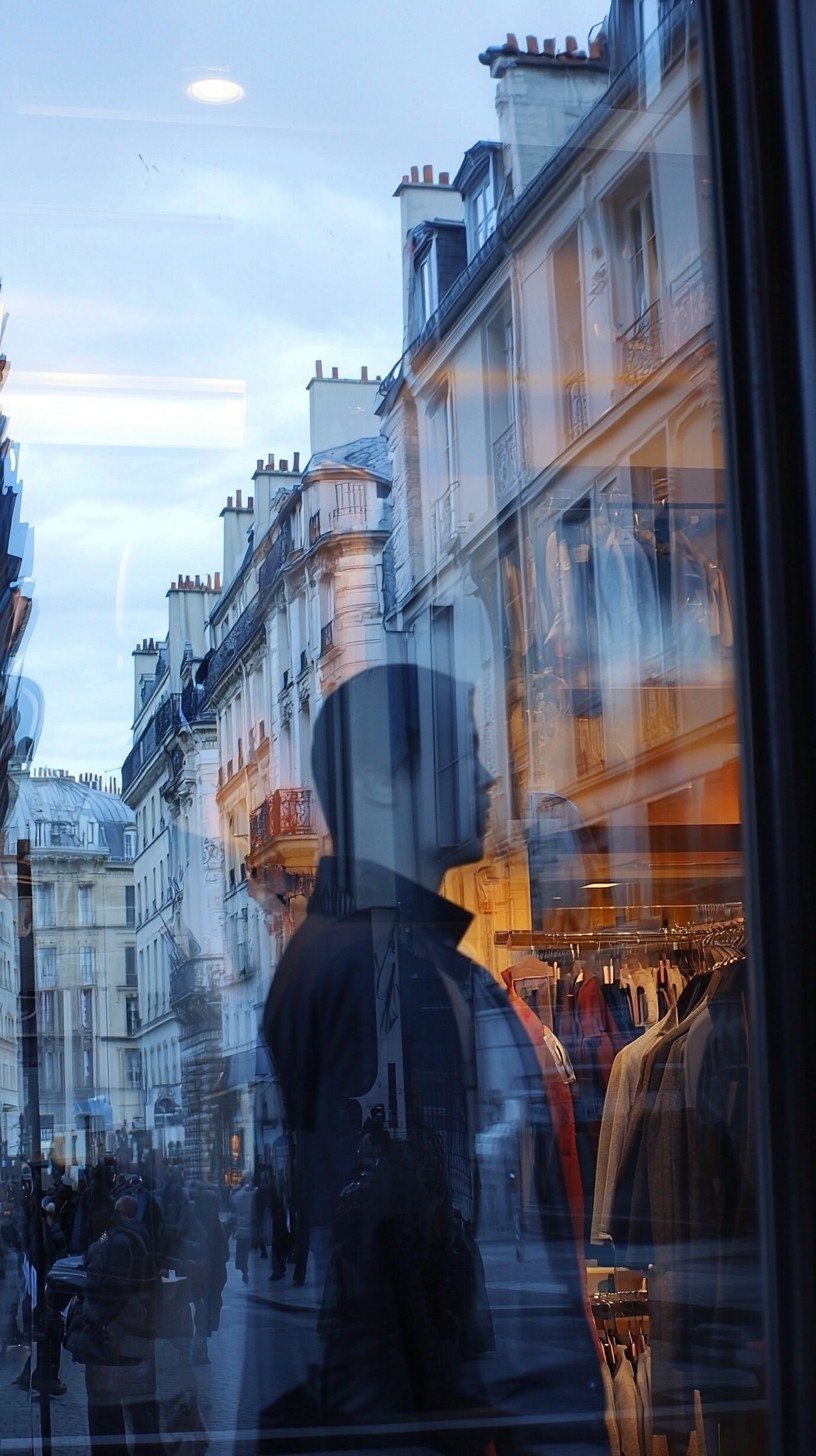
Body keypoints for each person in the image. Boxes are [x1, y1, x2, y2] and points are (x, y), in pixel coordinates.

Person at [258, 664, 607, 1454]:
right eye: (464, 751)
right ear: (382, 782)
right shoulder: (388, 971)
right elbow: (409, 1268)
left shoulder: (364, 955)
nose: (489, 774)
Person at [70, 1192, 164, 1456]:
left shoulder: (115, 1238)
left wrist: (91, 1314)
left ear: (118, 1213)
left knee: (105, 1403)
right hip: (136, 1327)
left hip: (113, 1333)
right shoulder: (138, 1234)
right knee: (138, 1402)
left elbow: (101, 1273)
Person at [230, 1173, 257, 1284]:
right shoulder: (254, 1193)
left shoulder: (239, 1195)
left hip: (242, 1228)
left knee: (242, 1252)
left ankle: (243, 1267)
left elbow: (232, 1200)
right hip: (253, 1227)